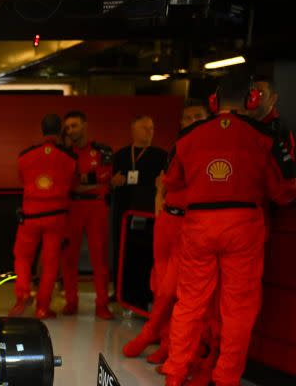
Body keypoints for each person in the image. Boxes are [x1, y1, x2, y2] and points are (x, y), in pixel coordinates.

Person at [161, 70, 296, 386]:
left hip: (198, 223)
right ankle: (225, 382)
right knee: (238, 306)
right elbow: (284, 191)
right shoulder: (263, 136)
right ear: (252, 99)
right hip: (244, 224)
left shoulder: (189, 136)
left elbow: (172, 182)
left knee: (189, 301)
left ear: (213, 101)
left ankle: (176, 372)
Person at [122, 100, 211, 365]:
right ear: (181, 123)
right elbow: (165, 182)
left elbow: (171, 181)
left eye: (199, 116)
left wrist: (164, 187)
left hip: (189, 225)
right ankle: (165, 341)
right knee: (158, 282)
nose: (193, 120)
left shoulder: (210, 149)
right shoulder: (178, 148)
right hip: (167, 221)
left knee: (172, 288)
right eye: (188, 117)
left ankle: (152, 334)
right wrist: (160, 195)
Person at [10, 114, 77, 319]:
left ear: (42, 130)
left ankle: (22, 295)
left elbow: (23, 179)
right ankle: (42, 307)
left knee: (22, 256)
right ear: (60, 131)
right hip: (57, 217)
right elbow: (73, 184)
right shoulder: (69, 157)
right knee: (50, 263)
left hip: (30, 215)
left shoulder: (25, 156)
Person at [60, 111, 115, 319]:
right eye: (68, 127)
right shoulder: (65, 153)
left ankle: (102, 303)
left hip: (97, 208)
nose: (71, 130)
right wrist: (92, 182)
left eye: (74, 125)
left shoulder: (102, 150)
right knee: (69, 257)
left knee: (99, 257)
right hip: (72, 207)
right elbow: (70, 183)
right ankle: (71, 301)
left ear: (84, 125)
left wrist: (82, 181)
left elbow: (106, 176)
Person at [110, 115, 168, 294]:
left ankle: (145, 292)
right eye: (144, 128)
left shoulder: (161, 156)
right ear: (133, 130)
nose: (149, 132)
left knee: (146, 252)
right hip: (124, 208)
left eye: (151, 128)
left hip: (149, 210)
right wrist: (113, 181)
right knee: (122, 250)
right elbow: (110, 180)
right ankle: (121, 290)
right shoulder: (120, 155)